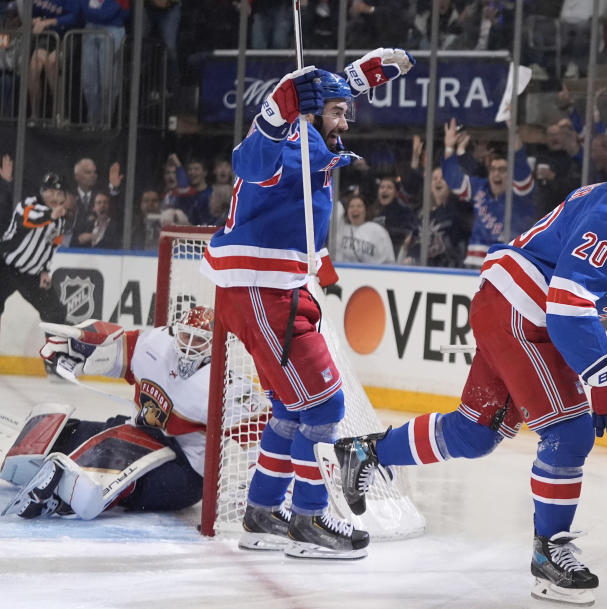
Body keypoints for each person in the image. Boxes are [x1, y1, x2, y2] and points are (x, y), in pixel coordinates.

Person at [335, 122, 607, 605]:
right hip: (520, 312)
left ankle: (366, 452)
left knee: (476, 433)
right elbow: (568, 305)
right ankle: (549, 555)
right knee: (569, 431)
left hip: (517, 309)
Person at [199, 48, 415, 558]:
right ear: (311, 112)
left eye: (347, 111)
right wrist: (277, 110)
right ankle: (310, 520)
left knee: (291, 409)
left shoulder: (310, 134)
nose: (346, 120)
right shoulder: (291, 137)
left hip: (276, 285)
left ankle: (262, 510)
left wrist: (355, 82)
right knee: (325, 403)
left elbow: (323, 99)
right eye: (338, 112)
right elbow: (247, 162)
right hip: (261, 287)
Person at [1, 308, 223, 521]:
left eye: (199, 340)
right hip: (139, 434)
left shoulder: (223, 382)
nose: (189, 345)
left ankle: (66, 496)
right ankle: (31, 456)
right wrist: (79, 350)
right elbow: (115, 354)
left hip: (185, 469)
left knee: (138, 479)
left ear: (213, 344)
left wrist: (256, 499)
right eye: (185, 336)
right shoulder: (157, 344)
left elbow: (252, 437)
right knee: (73, 433)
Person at [442, 117, 536, 268]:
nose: (496, 174)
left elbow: (521, 169)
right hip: (472, 266)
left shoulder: (520, 197)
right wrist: (448, 147)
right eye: (493, 169)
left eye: (502, 170)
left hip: (503, 269)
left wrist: (514, 133)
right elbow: (454, 180)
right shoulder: (481, 188)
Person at [0, 172, 68, 333]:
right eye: (50, 192)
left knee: (56, 314)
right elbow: (28, 220)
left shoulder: (60, 217)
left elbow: (53, 243)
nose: (54, 197)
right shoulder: (27, 204)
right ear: (42, 191)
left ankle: (54, 356)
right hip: (5, 266)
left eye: (59, 193)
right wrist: (51, 215)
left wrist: (45, 269)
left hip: (31, 275)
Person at [332, 194, 395, 264]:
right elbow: (332, 214)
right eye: (351, 206)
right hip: (341, 272)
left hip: (370, 273)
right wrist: (343, 201)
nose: (355, 209)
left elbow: (388, 259)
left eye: (359, 206)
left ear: (365, 210)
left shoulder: (378, 231)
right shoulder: (340, 227)